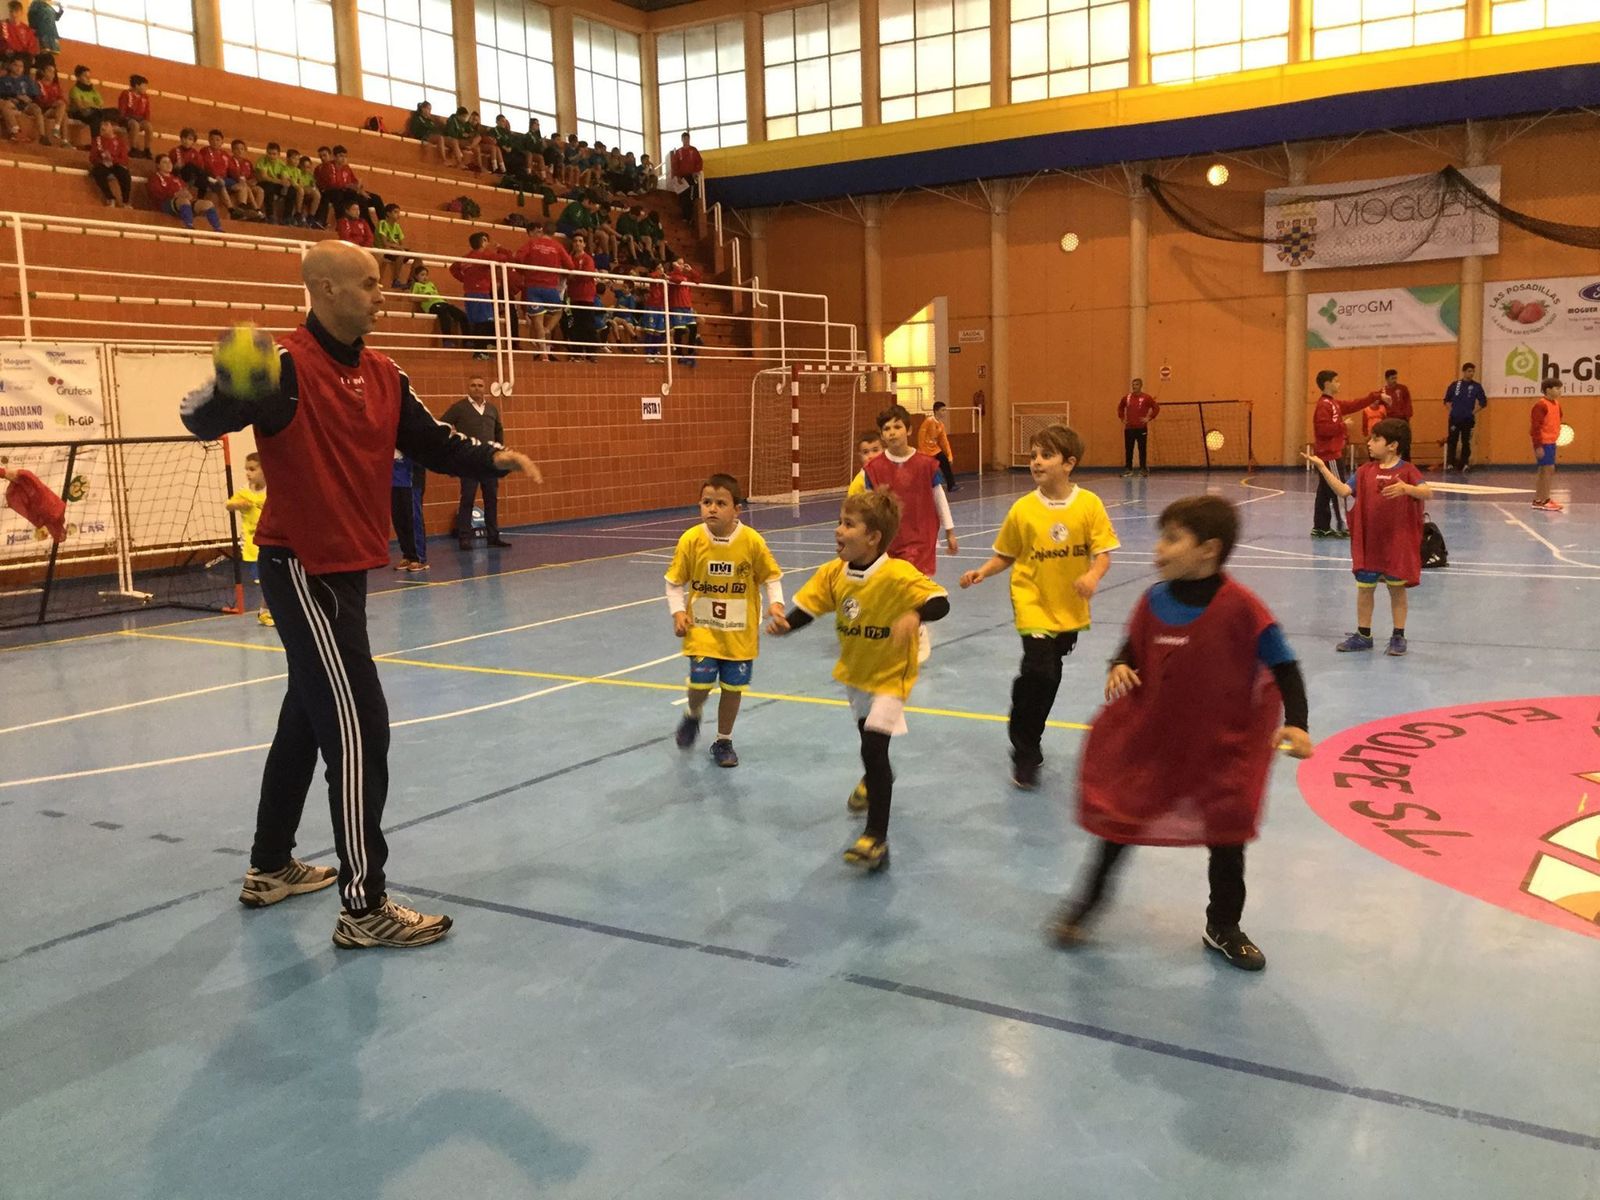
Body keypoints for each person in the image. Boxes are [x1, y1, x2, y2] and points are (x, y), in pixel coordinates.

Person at [179, 240, 542, 949]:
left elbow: (432, 441)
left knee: (309, 717)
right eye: (371, 284)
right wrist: (228, 391)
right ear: (325, 288)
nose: (384, 294)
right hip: (301, 568)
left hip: (347, 570)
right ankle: (363, 906)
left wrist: (493, 458)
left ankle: (270, 865)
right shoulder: (283, 367)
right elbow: (202, 421)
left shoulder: (384, 373)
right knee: (357, 723)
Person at [1048, 495, 1313, 969]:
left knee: (1227, 843)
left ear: (1208, 549)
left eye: (1172, 539)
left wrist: (1297, 722)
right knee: (1117, 828)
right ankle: (1086, 905)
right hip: (1154, 747)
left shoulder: (1244, 610)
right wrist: (1119, 667)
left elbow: (1286, 667)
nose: (1159, 549)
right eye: (1161, 537)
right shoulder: (1152, 601)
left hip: (1218, 752)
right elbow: (1130, 649)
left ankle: (1223, 926)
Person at [766, 491, 950, 871]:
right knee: (869, 746)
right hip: (856, 675)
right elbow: (810, 608)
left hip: (891, 677)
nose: (838, 530)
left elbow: (940, 602)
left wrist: (915, 615)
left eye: (849, 525)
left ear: (873, 537)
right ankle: (873, 779)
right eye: (840, 521)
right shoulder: (834, 574)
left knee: (873, 747)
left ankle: (875, 838)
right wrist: (788, 625)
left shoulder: (897, 574)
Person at [959, 424, 1118, 790]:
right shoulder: (1023, 509)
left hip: (1069, 607)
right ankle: (1025, 750)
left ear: (1069, 463)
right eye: (1033, 455)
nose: (1036, 462)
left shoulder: (1089, 505)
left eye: (1046, 455)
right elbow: (1006, 555)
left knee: (1049, 674)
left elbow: (1103, 554)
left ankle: (1029, 722)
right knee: (1040, 670)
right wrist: (982, 571)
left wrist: (1092, 577)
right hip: (1031, 600)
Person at [666, 473, 784, 768]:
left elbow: (771, 576)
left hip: (739, 634)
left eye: (721, 503)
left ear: (737, 509)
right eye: (707, 502)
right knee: (701, 683)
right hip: (703, 630)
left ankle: (723, 740)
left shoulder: (751, 541)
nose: (713, 509)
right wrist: (678, 612)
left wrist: (777, 605)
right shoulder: (691, 540)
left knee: (732, 689)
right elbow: (674, 582)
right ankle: (693, 715)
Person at [1303, 418, 1431, 656]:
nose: (1369, 443)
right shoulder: (1364, 472)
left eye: (1375, 439)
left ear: (1392, 445)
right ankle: (1363, 634)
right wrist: (1322, 467)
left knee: (1397, 590)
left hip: (1396, 544)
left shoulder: (1407, 471)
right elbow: (1343, 490)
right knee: (1364, 589)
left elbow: (1427, 491)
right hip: (1370, 544)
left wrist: (1407, 489)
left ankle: (1398, 636)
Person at [861, 403, 957, 664]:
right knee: (892, 590)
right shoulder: (874, 469)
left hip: (920, 536)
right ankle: (903, 633)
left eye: (897, 426)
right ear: (882, 435)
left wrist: (949, 530)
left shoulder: (926, 465)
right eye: (886, 429)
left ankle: (919, 629)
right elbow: (870, 505)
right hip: (889, 538)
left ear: (909, 429)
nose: (892, 432)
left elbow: (939, 497)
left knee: (912, 588)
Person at [442, 375, 510, 549]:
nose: (477, 388)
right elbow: (442, 426)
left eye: (480, 385)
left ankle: (493, 537)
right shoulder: (459, 408)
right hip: (469, 462)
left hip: (488, 462)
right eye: (473, 385)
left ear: (484, 388)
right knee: (467, 499)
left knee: (491, 499)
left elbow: (498, 431)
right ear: (468, 388)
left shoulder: (492, 409)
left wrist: (500, 452)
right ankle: (464, 538)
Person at [1309, 369, 1370, 538]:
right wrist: (1343, 426)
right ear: (1327, 384)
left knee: (1324, 492)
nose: (1339, 383)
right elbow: (1322, 430)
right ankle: (1343, 525)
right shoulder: (1323, 405)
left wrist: (1374, 397)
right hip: (1330, 456)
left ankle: (1320, 526)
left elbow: (1354, 404)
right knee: (1339, 490)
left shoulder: (1333, 403)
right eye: (1336, 381)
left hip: (1329, 455)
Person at [512, 222, 574, 361]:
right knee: (558, 311)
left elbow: (518, 258)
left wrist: (524, 271)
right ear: (554, 233)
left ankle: (543, 352)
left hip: (532, 287)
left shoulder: (532, 243)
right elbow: (570, 265)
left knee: (537, 321)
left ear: (542, 230)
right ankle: (547, 330)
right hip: (549, 287)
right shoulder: (557, 246)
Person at [224, 451, 273, 626]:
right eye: (246, 469)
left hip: (273, 543)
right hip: (254, 547)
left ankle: (267, 611)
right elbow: (229, 504)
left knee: (273, 581)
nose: (248, 473)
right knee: (267, 581)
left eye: (252, 469)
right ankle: (265, 612)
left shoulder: (273, 489)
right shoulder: (245, 492)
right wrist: (240, 504)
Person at [146, 151, 222, 231]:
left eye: (170, 162)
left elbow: (185, 191)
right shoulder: (154, 178)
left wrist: (188, 195)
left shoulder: (177, 179)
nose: (168, 164)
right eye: (165, 162)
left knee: (208, 204)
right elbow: (155, 194)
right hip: (164, 204)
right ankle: (188, 226)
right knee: (184, 201)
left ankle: (218, 229)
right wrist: (175, 194)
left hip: (182, 204)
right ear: (158, 165)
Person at [409, 264, 469, 349]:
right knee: (445, 315)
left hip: (442, 303)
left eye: (426, 275)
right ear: (416, 276)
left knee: (462, 315)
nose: (425, 277)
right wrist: (424, 298)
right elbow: (412, 298)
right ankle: (447, 340)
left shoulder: (431, 284)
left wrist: (443, 299)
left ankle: (467, 341)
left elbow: (437, 295)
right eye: (422, 275)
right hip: (432, 305)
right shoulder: (416, 285)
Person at [1442, 362, 1487, 473]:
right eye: (1469, 371)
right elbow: (1446, 400)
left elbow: (1483, 402)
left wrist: (1473, 412)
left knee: (1466, 441)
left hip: (1468, 419)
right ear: (1464, 372)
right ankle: (1450, 464)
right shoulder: (1455, 385)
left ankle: (1464, 463)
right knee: (1452, 440)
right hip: (1455, 418)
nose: (1471, 374)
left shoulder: (1476, 386)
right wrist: (1451, 411)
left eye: (1473, 371)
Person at [1362, 368, 1413, 459]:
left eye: (1396, 378)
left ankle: (1406, 462)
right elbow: (1379, 407)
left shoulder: (1403, 389)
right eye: (1392, 378)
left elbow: (1407, 403)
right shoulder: (1383, 391)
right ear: (1387, 379)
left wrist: (1407, 415)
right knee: (1391, 442)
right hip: (1389, 420)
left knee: (1405, 443)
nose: (1394, 381)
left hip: (1402, 419)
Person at [1530, 377, 1564, 513]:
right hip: (1544, 442)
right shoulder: (1541, 405)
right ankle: (1545, 499)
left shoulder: (1556, 404)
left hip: (1551, 441)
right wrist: (1538, 445)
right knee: (1548, 469)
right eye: (1557, 388)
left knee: (1543, 470)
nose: (1560, 391)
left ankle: (1538, 499)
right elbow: (1535, 427)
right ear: (1548, 390)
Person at [390, 451, 427, 572]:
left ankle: (419, 558)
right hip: (394, 481)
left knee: (413, 518)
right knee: (398, 519)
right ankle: (408, 555)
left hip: (411, 480)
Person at [86, 113, 131, 207]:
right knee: (97, 172)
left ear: (112, 127)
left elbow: (124, 159)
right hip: (102, 164)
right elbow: (92, 157)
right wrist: (102, 160)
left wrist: (112, 159)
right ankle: (110, 197)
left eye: (106, 124)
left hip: (116, 164)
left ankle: (125, 201)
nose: (102, 127)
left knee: (125, 174)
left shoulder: (120, 142)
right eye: (101, 125)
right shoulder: (97, 140)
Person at [1117, 377, 1159, 477]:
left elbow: (1156, 408)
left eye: (1136, 385)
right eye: (1133, 385)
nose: (1134, 387)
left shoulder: (1146, 398)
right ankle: (1128, 469)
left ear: (1140, 386)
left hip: (1141, 428)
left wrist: (1149, 418)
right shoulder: (1127, 398)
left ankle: (1143, 469)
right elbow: (1120, 407)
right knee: (1129, 449)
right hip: (1129, 428)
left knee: (1142, 449)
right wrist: (1122, 418)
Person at [0, 52, 43, 142]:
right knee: (6, 105)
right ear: (10, 66)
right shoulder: (4, 79)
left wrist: (28, 99)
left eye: (21, 66)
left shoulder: (27, 80)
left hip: (25, 105)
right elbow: (2, 93)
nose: (18, 68)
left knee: (36, 108)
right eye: (16, 65)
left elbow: (35, 95)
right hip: (10, 104)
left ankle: (42, 136)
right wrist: (16, 96)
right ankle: (16, 132)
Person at [915, 400, 957, 491]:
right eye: (942, 410)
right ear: (936, 411)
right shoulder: (928, 421)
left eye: (945, 410)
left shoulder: (941, 425)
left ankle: (951, 485)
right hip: (925, 451)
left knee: (945, 462)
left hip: (935, 450)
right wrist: (922, 452)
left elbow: (944, 441)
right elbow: (921, 436)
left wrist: (949, 455)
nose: (944, 412)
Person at [374, 204, 415, 288]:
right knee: (401, 254)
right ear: (388, 213)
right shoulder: (382, 223)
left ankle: (412, 281)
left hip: (394, 250)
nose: (398, 214)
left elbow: (401, 244)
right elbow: (385, 243)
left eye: (399, 212)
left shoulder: (397, 226)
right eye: (395, 212)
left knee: (417, 255)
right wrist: (398, 247)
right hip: (383, 250)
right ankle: (395, 281)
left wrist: (399, 247)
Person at [116, 73, 152, 158]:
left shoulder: (145, 97)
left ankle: (147, 150)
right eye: (144, 86)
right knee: (135, 125)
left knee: (149, 126)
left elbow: (147, 111)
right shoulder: (126, 94)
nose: (146, 88)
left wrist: (146, 120)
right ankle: (133, 149)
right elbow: (122, 109)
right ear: (137, 86)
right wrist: (123, 119)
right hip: (127, 119)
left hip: (139, 119)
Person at [669, 131, 703, 221]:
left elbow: (699, 162)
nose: (686, 140)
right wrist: (678, 176)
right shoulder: (679, 152)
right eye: (684, 139)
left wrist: (696, 172)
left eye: (687, 139)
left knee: (691, 197)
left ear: (689, 139)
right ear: (682, 140)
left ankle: (690, 216)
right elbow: (675, 165)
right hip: (682, 178)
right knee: (683, 197)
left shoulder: (694, 150)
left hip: (691, 177)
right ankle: (685, 216)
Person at [31, 59, 65, 146]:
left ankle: (61, 135)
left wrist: (57, 102)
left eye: (54, 72)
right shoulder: (38, 84)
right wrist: (52, 103)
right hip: (41, 108)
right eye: (49, 71)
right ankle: (44, 135)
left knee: (63, 110)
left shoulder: (55, 86)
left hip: (50, 109)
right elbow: (38, 100)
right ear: (43, 72)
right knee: (60, 107)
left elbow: (62, 99)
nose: (52, 74)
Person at [1, 2, 37, 69]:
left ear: (21, 12)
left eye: (16, 11)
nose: (14, 14)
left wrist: (32, 56)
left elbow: (32, 47)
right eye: (11, 11)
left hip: (22, 56)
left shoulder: (27, 29)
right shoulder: (2, 25)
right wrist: (4, 50)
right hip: (6, 54)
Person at [846, 430, 882, 496]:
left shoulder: (891, 475)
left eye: (875, 450)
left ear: (884, 451)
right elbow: (850, 505)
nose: (871, 456)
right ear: (860, 456)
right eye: (866, 452)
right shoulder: (858, 483)